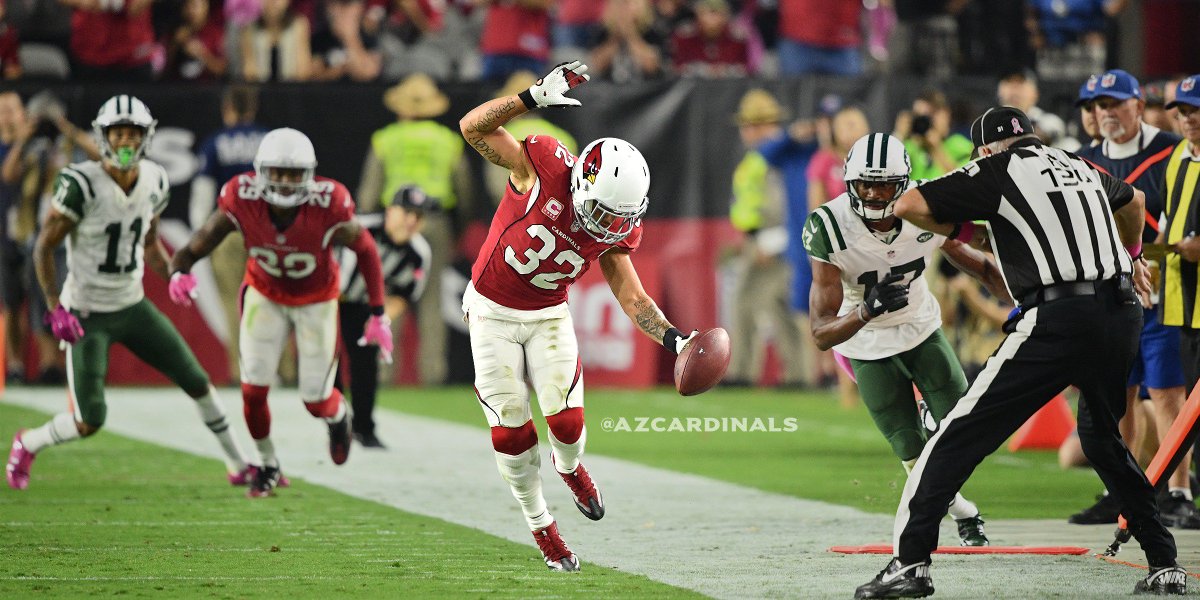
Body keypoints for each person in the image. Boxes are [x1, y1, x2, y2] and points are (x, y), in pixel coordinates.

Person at [855, 106, 1185, 598]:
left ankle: (909, 563)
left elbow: (909, 205)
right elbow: (1134, 201)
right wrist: (1134, 257)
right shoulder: (1075, 161)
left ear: (985, 148)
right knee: (1103, 440)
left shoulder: (995, 167)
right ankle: (1164, 563)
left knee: (955, 434)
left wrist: (968, 231)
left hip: (1058, 318)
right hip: (1120, 313)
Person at [457, 60, 698, 571]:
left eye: (620, 218)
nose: (610, 225)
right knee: (512, 434)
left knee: (567, 425)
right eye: (606, 212)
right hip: (492, 312)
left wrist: (675, 339)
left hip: (547, 314)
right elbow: (472, 127)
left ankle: (570, 469)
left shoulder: (616, 226)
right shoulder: (541, 164)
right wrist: (529, 99)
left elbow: (632, 297)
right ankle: (542, 525)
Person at [5, 95, 254, 491]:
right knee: (89, 421)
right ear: (104, 137)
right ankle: (28, 442)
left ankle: (239, 464)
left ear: (145, 137)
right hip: (87, 312)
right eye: (118, 133)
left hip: (132, 305)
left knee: (198, 382)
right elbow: (44, 245)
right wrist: (56, 307)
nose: (125, 142)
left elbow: (150, 242)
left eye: (133, 134)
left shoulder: (154, 178)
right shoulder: (81, 183)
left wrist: (173, 273)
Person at [167, 127, 393, 498]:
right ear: (260, 172)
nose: (286, 183)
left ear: (309, 174)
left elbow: (366, 249)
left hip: (316, 300)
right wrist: (181, 267)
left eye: (293, 174)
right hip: (265, 294)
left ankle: (340, 418)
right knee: (253, 390)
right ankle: (267, 463)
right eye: (278, 173)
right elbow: (207, 235)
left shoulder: (329, 202)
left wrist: (378, 312)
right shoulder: (242, 196)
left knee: (316, 400)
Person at [806, 133, 1003, 548]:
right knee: (911, 449)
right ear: (848, 182)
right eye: (865, 184)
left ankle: (937, 424)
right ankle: (965, 512)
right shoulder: (830, 226)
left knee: (964, 429)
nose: (874, 194)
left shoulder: (924, 211)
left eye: (884, 184)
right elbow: (821, 333)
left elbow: (981, 264)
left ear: (904, 184)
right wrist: (865, 310)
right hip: (864, 342)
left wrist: (1031, 297)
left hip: (918, 326)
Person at [1072, 69, 1195, 528]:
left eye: (1115, 103)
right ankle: (1119, 488)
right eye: (1099, 105)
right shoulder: (1081, 161)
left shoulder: (1172, 151)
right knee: (1115, 395)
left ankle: (1180, 490)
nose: (1107, 113)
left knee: (1167, 393)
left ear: (1138, 106)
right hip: (1110, 292)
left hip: (1164, 290)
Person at [357, 73, 465, 384]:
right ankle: (433, 374)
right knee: (432, 303)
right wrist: (455, 229)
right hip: (436, 222)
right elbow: (464, 189)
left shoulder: (385, 139)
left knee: (389, 297)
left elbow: (367, 194)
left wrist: (372, 233)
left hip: (395, 225)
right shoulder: (448, 141)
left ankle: (385, 371)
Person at [336, 185, 433, 448]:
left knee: (366, 365)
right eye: (407, 213)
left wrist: (381, 318)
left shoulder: (418, 253)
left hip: (365, 305)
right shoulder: (360, 228)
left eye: (419, 216)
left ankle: (364, 429)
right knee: (327, 363)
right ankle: (334, 422)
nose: (412, 221)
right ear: (390, 211)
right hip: (329, 299)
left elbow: (403, 295)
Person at [725, 88, 805, 388]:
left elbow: (780, 203)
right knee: (782, 307)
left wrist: (766, 240)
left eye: (750, 124)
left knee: (745, 304)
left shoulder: (772, 156)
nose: (745, 131)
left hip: (769, 241)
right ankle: (798, 374)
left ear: (763, 125)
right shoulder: (765, 154)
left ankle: (742, 373)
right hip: (769, 239)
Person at [190, 85, 270, 383]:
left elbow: (202, 195)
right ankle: (285, 369)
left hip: (228, 230)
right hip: (267, 231)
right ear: (252, 107)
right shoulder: (269, 141)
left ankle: (243, 370)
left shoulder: (215, 143)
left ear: (228, 108)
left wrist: (203, 237)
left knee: (233, 302)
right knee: (275, 299)